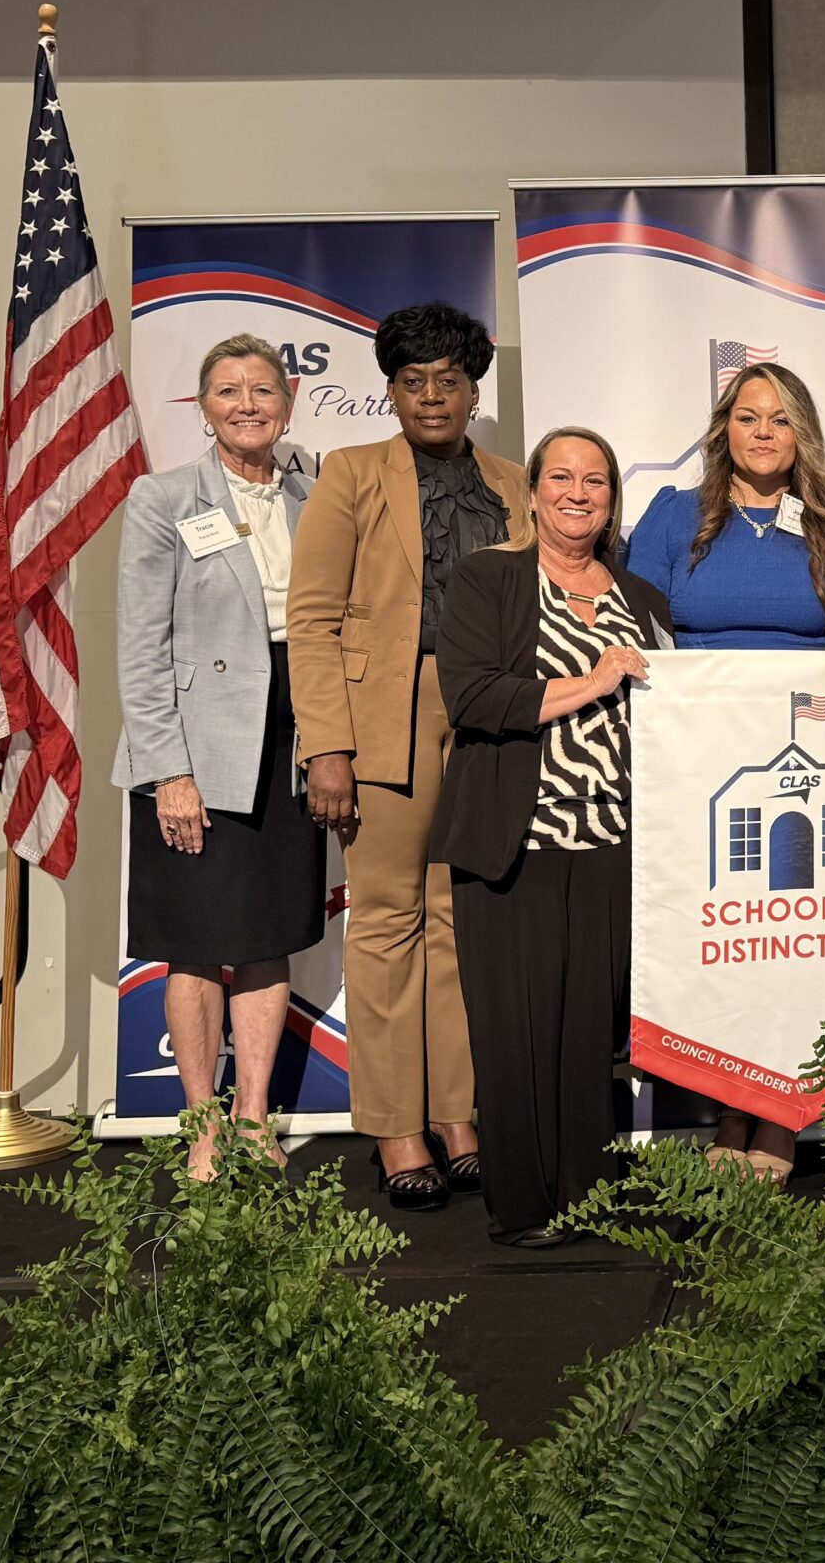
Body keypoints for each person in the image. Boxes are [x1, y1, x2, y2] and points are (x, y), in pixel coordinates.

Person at [288, 302, 531, 1210]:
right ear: (390, 390)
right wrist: (328, 748)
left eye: (450, 381)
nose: (432, 397)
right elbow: (310, 620)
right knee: (387, 921)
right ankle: (397, 1127)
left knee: (461, 921)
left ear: (474, 391)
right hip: (383, 711)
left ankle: (459, 1117)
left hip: (489, 715)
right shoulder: (351, 475)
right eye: (413, 381)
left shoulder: (512, 484)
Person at [624, 361, 825, 1182]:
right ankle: (729, 1106)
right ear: (722, 429)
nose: (763, 432)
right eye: (747, 417)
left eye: (780, 419)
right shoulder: (674, 515)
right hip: (702, 764)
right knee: (723, 946)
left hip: (807, 765)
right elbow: (637, 621)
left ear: (800, 432)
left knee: (792, 940)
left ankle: (777, 1119)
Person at [436, 427, 672, 1247]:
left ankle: (588, 1193)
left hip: (612, 843)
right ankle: (524, 1207)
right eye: (562, 478)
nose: (579, 493)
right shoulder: (486, 580)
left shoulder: (642, 599)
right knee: (516, 1031)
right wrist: (596, 681)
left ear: (613, 501)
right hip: (517, 843)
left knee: (587, 1034)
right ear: (532, 492)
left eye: (597, 481)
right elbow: (473, 698)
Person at [112, 334, 324, 1179]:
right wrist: (170, 770)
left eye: (262, 390)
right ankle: (201, 1126)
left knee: (269, 937)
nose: (247, 404)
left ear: (291, 399)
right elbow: (141, 646)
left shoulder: (316, 493)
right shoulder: (161, 499)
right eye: (229, 391)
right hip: (196, 749)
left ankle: (252, 1118)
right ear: (203, 407)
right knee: (197, 942)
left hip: (290, 737)